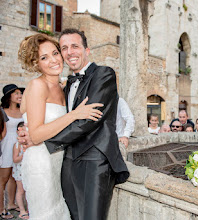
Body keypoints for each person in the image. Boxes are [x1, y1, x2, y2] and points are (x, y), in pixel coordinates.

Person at [20, 29, 130, 220]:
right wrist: (27, 129)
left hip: (93, 161)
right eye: (63, 48)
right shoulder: (55, 85)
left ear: (87, 50)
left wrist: (38, 138)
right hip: (57, 162)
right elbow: (27, 110)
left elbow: (87, 120)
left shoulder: (102, 74)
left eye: (74, 46)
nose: (67, 53)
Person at [0, 84, 25, 219]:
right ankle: (1, 209)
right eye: (16, 93)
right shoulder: (2, 111)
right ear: (9, 97)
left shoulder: (23, 110)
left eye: (20, 93)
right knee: (3, 179)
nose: (20, 95)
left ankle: (11, 203)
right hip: (6, 145)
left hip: (20, 145)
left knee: (14, 178)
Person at [12, 122, 28, 219]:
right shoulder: (17, 145)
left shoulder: (30, 143)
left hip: (28, 169)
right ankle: (22, 210)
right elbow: (15, 159)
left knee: (28, 190)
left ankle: (28, 208)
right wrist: (24, 155)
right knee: (21, 190)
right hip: (20, 170)